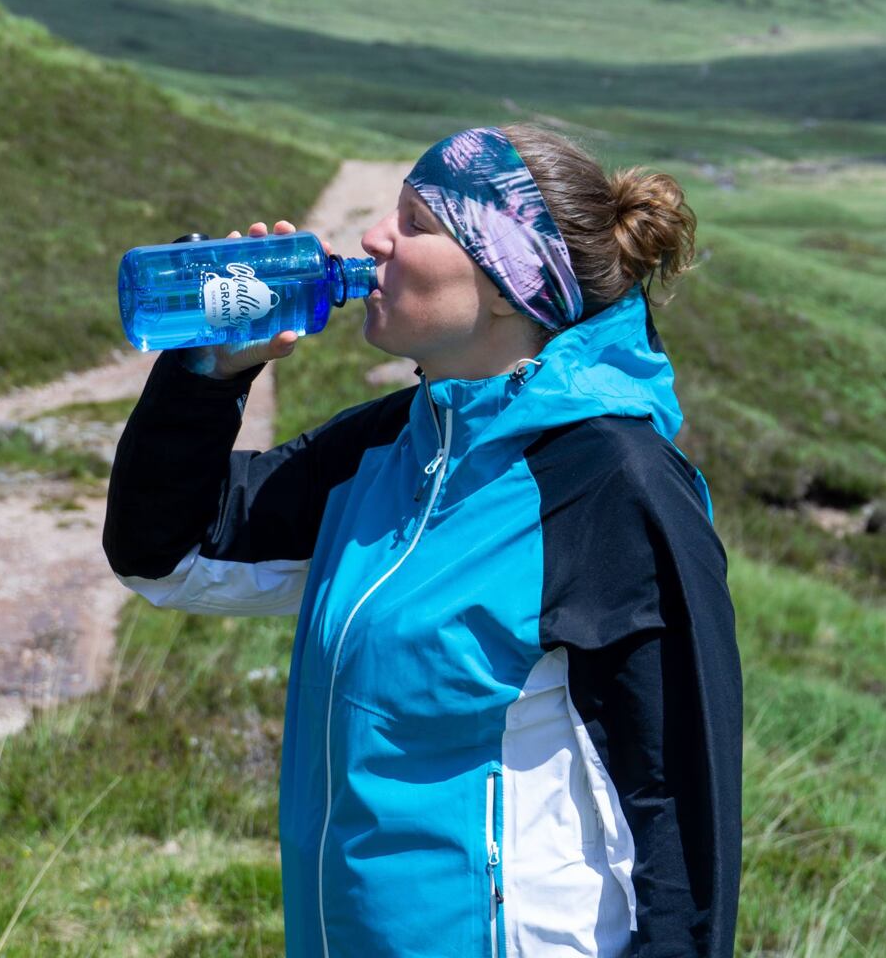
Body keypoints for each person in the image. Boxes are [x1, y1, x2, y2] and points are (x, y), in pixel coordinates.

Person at [103, 124, 742, 957]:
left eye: (415, 222)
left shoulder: (615, 482)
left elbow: (681, 809)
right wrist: (210, 374)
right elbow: (167, 554)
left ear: (509, 284)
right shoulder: (393, 444)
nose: (375, 239)